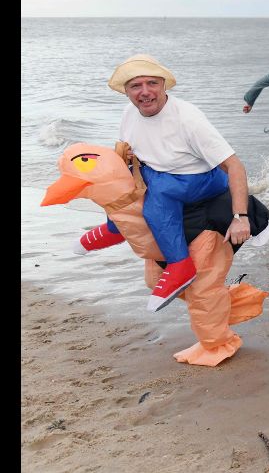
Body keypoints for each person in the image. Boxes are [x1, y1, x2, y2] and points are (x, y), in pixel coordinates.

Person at [74, 54, 251, 313]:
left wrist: (240, 217)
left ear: (164, 85)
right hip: (157, 174)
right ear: (126, 91)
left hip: (199, 180)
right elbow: (131, 152)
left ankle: (181, 265)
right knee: (113, 174)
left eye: (152, 83)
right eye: (136, 86)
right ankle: (115, 228)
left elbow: (234, 165)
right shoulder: (129, 113)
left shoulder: (188, 119)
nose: (145, 92)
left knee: (160, 194)